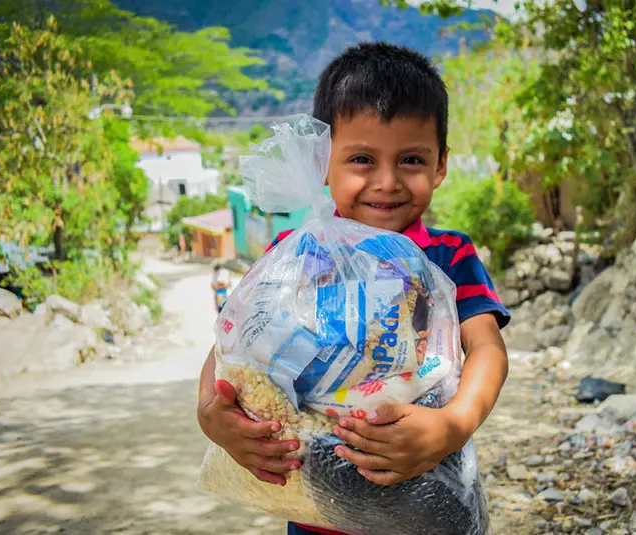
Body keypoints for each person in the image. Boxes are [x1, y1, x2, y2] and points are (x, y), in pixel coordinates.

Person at [196, 42, 511, 535]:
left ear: (441, 165)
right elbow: (235, 344)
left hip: (424, 501)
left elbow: (487, 348)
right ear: (324, 161)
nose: (386, 182)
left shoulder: (448, 257)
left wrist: (452, 426)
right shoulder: (296, 253)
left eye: (410, 159)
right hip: (318, 513)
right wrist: (210, 413)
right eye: (362, 158)